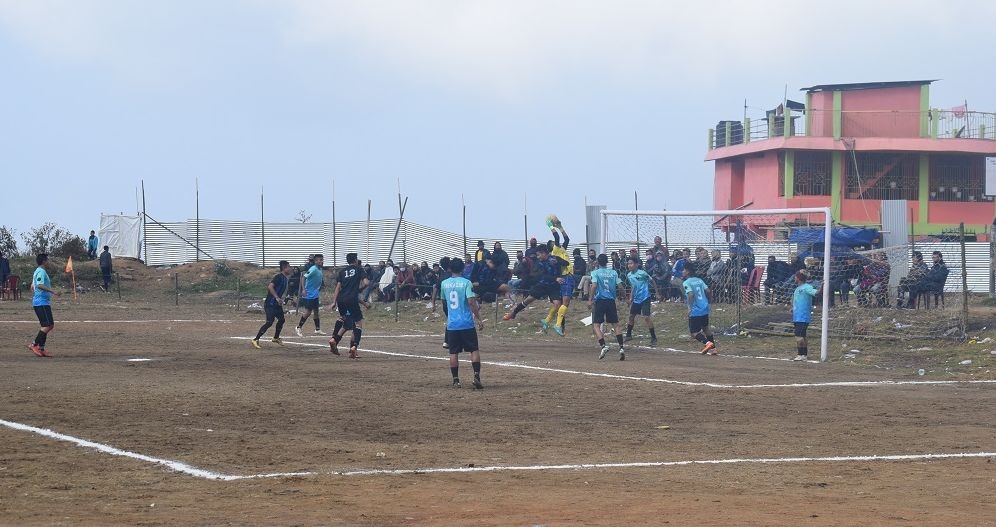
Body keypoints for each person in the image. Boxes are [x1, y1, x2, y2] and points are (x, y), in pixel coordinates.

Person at [441, 257, 484, 389]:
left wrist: (450, 316)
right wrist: (479, 318)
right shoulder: (466, 282)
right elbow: (471, 302)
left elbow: (444, 303)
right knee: (474, 350)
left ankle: (456, 380)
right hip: (466, 323)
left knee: (453, 352)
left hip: (452, 324)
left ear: (450, 268)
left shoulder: (444, 283)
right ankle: (476, 376)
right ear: (463, 268)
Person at [503, 245, 561, 323]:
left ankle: (547, 321)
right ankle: (513, 313)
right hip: (542, 285)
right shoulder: (540, 264)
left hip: (553, 286)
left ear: (544, 253)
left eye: (538, 255)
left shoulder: (554, 259)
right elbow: (543, 275)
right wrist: (555, 278)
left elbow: (566, 263)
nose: (538, 257)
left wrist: (559, 261)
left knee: (557, 304)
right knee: (528, 300)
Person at [329, 253, 369, 359]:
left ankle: (334, 339)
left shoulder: (342, 272)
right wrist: (359, 290)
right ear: (355, 260)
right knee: (358, 324)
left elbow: (338, 288)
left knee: (345, 321)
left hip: (341, 300)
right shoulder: (359, 270)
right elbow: (366, 283)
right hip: (352, 300)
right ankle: (354, 347)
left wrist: (334, 302)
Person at [587, 254, 625, 360]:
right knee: (616, 325)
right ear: (607, 262)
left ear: (598, 262)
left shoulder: (595, 272)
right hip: (611, 301)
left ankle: (603, 346)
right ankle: (621, 348)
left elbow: (594, 285)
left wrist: (590, 299)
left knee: (596, 325)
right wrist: (624, 297)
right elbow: (621, 286)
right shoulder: (613, 272)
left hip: (600, 301)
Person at [251, 260, 291, 349]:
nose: (290, 269)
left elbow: (280, 291)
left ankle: (276, 338)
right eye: (289, 267)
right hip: (270, 303)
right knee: (269, 322)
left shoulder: (285, 278)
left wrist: (283, 299)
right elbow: (270, 286)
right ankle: (255, 339)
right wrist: (277, 298)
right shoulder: (278, 277)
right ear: (284, 268)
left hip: (277, 305)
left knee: (281, 320)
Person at [28, 253, 61, 357]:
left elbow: (32, 286)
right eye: (47, 260)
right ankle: (34, 345)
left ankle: (41, 348)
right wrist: (53, 292)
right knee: (46, 325)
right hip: (41, 302)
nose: (48, 262)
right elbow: (39, 285)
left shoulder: (37, 271)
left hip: (43, 302)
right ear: (44, 261)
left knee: (50, 325)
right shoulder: (41, 272)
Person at [545, 226, 574, 336]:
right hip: (566, 276)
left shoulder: (561, 249)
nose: (555, 242)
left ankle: (548, 322)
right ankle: (557, 325)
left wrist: (561, 227)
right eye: (553, 242)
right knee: (565, 303)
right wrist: (551, 225)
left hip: (568, 276)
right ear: (552, 247)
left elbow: (567, 239)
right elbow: (557, 236)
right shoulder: (555, 251)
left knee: (563, 304)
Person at [683, 266, 716, 355]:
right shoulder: (699, 280)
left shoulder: (686, 282)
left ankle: (707, 343)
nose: (682, 271)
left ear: (688, 271)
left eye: (684, 270)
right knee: (706, 328)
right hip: (705, 307)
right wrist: (709, 301)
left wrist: (690, 308)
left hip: (696, 310)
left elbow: (690, 295)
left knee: (694, 333)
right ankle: (713, 349)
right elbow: (708, 291)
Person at [625, 256, 657, 348]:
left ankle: (654, 337)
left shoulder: (642, 273)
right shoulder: (629, 275)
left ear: (636, 264)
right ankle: (628, 335)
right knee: (631, 316)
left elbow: (652, 281)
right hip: (636, 299)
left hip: (645, 297)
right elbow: (633, 286)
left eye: (631, 263)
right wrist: (631, 297)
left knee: (646, 317)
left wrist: (657, 292)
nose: (629, 265)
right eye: (628, 264)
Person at [791, 271, 821, 361]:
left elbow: (816, 293)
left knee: (798, 336)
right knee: (803, 336)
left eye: (795, 277)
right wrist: (792, 308)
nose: (794, 279)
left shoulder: (807, 287)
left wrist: (823, 286)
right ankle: (804, 355)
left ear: (799, 278)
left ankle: (800, 354)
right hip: (797, 316)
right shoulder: (797, 289)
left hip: (803, 316)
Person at [295, 254, 325, 336]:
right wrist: (304, 289)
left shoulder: (319, 269)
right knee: (308, 312)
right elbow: (303, 277)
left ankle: (317, 329)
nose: (321, 261)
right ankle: (299, 327)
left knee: (316, 311)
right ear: (315, 261)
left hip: (315, 293)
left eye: (322, 260)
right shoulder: (313, 269)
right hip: (309, 294)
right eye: (320, 260)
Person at [432, 257, 453, 349]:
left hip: (444, 302)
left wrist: (433, 302)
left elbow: (435, 289)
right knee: (454, 320)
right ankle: (448, 340)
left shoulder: (442, 277)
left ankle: (447, 341)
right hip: (454, 302)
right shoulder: (454, 276)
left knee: (450, 319)